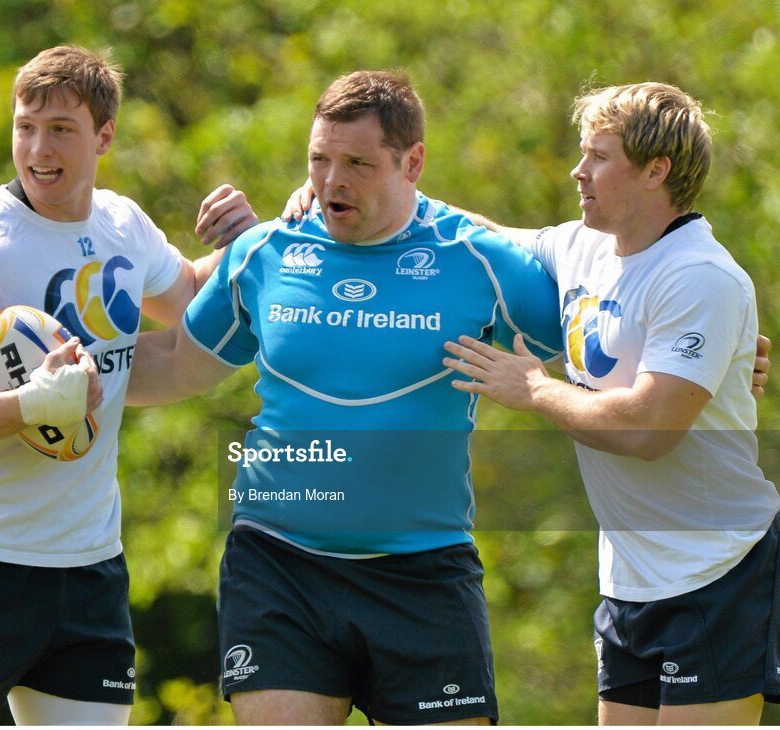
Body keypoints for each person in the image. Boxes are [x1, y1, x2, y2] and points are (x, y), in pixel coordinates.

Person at [127, 70, 564, 725]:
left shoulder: (481, 261)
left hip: (423, 570)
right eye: (320, 161)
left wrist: (715, 358)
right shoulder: (265, 251)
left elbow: (601, 336)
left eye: (358, 163)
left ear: (412, 163)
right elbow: (173, 365)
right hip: (279, 565)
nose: (333, 181)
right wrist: (61, 374)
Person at [0, 45, 256, 725]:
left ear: (104, 136)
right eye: (26, 126)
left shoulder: (122, 225)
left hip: (89, 566)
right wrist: (31, 405)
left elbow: (188, 304)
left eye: (60, 129)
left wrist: (255, 246)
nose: (37, 147)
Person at [441, 82, 780, 725]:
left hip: (719, 572)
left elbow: (649, 430)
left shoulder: (700, 276)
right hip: (629, 578)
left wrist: (536, 389)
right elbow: (476, 234)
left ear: (657, 170)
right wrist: (348, 199)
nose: (578, 171)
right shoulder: (580, 246)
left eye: (598, 156)